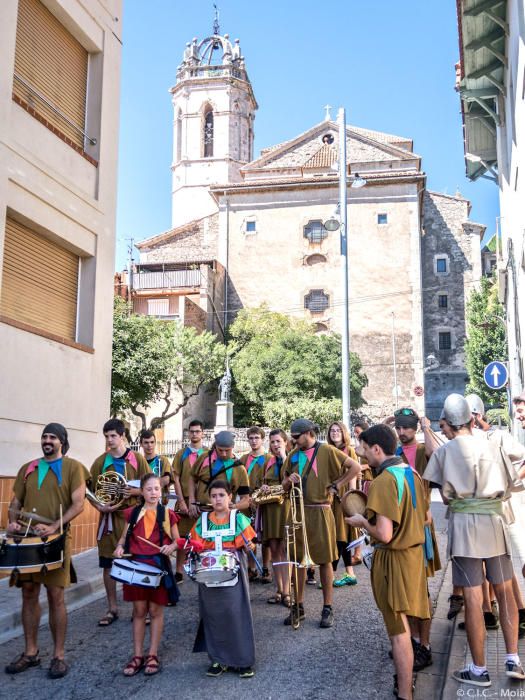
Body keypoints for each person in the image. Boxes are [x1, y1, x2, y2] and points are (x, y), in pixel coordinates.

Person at [424, 394, 525, 687]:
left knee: (472, 596)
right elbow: (510, 484)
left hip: (465, 526)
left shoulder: (444, 452)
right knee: (505, 590)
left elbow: (443, 496)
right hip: (494, 521)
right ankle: (513, 660)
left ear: (449, 423)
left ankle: (479, 670)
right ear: (471, 418)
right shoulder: (493, 445)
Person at [346, 424, 429, 700]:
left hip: (393, 560)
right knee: (406, 624)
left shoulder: (383, 480)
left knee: (398, 632)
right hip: (414, 556)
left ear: (377, 449)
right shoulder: (411, 472)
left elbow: (384, 533)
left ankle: (405, 693)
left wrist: (361, 521)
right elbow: (426, 517)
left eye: (366, 449)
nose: (364, 455)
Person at [5, 423, 86, 679]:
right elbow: (14, 504)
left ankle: (58, 655)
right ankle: (31, 652)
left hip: (56, 540)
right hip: (28, 540)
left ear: (62, 441)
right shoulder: (28, 468)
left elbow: (79, 504)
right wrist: (13, 521)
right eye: (44, 437)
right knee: (28, 594)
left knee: (55, 596)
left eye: (52, 437)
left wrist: (53, 526)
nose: (47, 440)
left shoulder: (74, 468)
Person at [281, 418, 361, 628]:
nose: (294, 441)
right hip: (299, 512)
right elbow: (283, 485)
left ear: (309, 433)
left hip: (322, 511)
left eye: (297, 437)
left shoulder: (327, 451)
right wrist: (289, 482)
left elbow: (355, 467)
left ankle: (327, 607)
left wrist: (337, 485)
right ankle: (298, 607)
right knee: (298, 561)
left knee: (326, 560)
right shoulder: (292, 455)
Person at [114, 473, 180, 676]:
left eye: (157, 489)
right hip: (136, 567)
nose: (153, 493)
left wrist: (171, 546)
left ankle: (152, 654)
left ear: (162, 492)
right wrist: (119, 547)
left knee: (155, 611)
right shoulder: (132, 513)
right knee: (139, 612)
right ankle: (137, 655)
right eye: (149, 489)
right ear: (141, 492)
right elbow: (124, 538)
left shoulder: (167, 514)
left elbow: (178, 541)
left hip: (157, 567)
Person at [190, 479, 257, 678]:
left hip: (233, 571)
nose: (217, 499)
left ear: (230, 497)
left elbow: (250, 544)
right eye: (213, 496)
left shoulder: (238, 518)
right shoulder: (202, 521)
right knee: (213, 616)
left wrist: (250, 547)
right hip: (208, 573)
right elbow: (194, 545)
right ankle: (218, 660)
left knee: (236, 613)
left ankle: (243, 661)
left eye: (221, 495)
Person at [393, 407, 442, 671]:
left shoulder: (423, 450)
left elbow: (435, 454)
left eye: (406, 427)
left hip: (420, 527)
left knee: (420, 590)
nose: (402, 432)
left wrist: (426, 426)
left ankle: (425, 646)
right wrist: (385, 423)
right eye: (398, 428)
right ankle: (411, 641)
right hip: (401, 528)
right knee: (406, 589)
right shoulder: (396, 452)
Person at [90, 418, 151, 627]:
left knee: (135, 562)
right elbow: (89, 491)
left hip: (133, 518)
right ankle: (112, 608)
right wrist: (99, 506)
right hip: (109, 519)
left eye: (113, 436)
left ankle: (139, 609)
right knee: (108, 564)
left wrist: (135, 491)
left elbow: (151, 486)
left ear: (122, 436)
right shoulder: (100, 462)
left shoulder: (137, 459)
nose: (109, 440)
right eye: (106, 436)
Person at [257, 428, 291, 606]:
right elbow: (262, 483)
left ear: (285, 442)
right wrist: (263, 488)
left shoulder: (291, 460)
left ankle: (288, 591)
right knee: (275, 549)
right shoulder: (267, 463)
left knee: (285, 550)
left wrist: (285, 457)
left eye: (278, 441)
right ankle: (279, 589)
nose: (275, 445)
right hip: (271, 510)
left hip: (286, 509)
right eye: (272, 442)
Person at [172, 419, 207, 581]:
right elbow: (176, 479)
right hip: (185, 501)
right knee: (182, 537)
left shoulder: (208, 454)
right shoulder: (181, 454)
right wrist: (182, 501)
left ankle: (202, 568)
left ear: (202, 433)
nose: (194, 434)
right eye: (192, 431)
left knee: (202, 537)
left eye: (197, 431)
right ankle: (178, 571)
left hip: (203, 503)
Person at [326, 421, 359, 586]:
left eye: (338, 430)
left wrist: (350, 499)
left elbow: (354, 474)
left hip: (342, 496)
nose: (335, 433)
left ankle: (331, 575)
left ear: (344, 432)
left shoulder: (349, 450)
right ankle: (350, 573)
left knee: (340, 535)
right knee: (340, 535)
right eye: (332, 430)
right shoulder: (327, 450)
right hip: (330, 496)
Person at [188, 431, 250, 517]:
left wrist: (235, 506)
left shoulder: (239, 468)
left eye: (227, 450)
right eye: (220, 450)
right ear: (215, 446)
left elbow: (246, 499)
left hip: (225, 515)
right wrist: (191, 501)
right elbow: (192, 477)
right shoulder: (204, 458)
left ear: (232, 447)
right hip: (201, 512)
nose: (224, 454)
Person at [240, 426, 272, 582]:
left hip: (263, 501)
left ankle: (265, 568)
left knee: (264, 537)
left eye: (256, 438)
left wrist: (259, 498)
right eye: (251, 438)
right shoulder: (243, 459)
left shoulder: (269, 458)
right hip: (247, 502)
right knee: (249, 536)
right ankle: (251, 568)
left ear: (262, 439)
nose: (253, 441)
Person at [139, 430, 173, 505]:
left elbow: (166, 480)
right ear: (141, 444)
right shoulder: (139, 462)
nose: (149, 445)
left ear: (155, 443)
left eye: (152, 442)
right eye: (146, 442)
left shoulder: (163, 460)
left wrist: (145, 486)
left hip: (160, 503)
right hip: (142, 503)